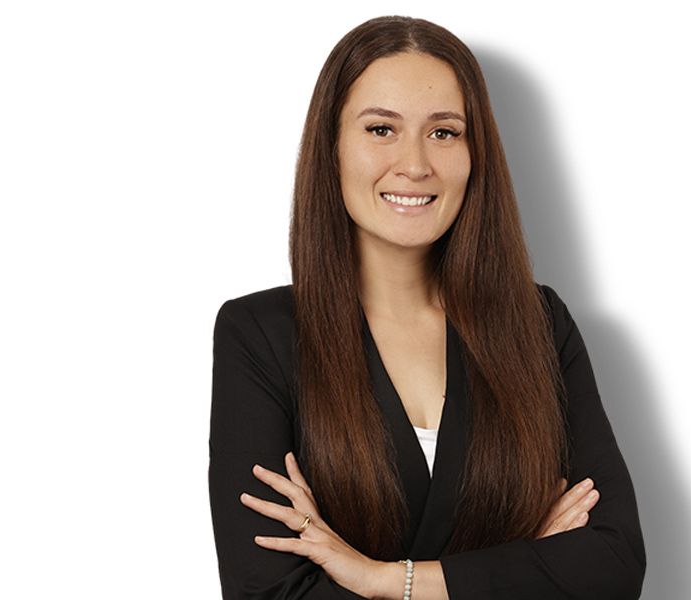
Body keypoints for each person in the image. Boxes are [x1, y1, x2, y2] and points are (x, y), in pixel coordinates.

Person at [208, 15, 646, 600]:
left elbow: (614, 564)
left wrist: (386, 580)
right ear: (331, 147)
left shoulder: (540, 326)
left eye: (444, 132)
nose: (415, 164)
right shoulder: (259, 336)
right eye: (381, 129)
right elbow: (269, 592)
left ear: (475, 153)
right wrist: (527, 567)